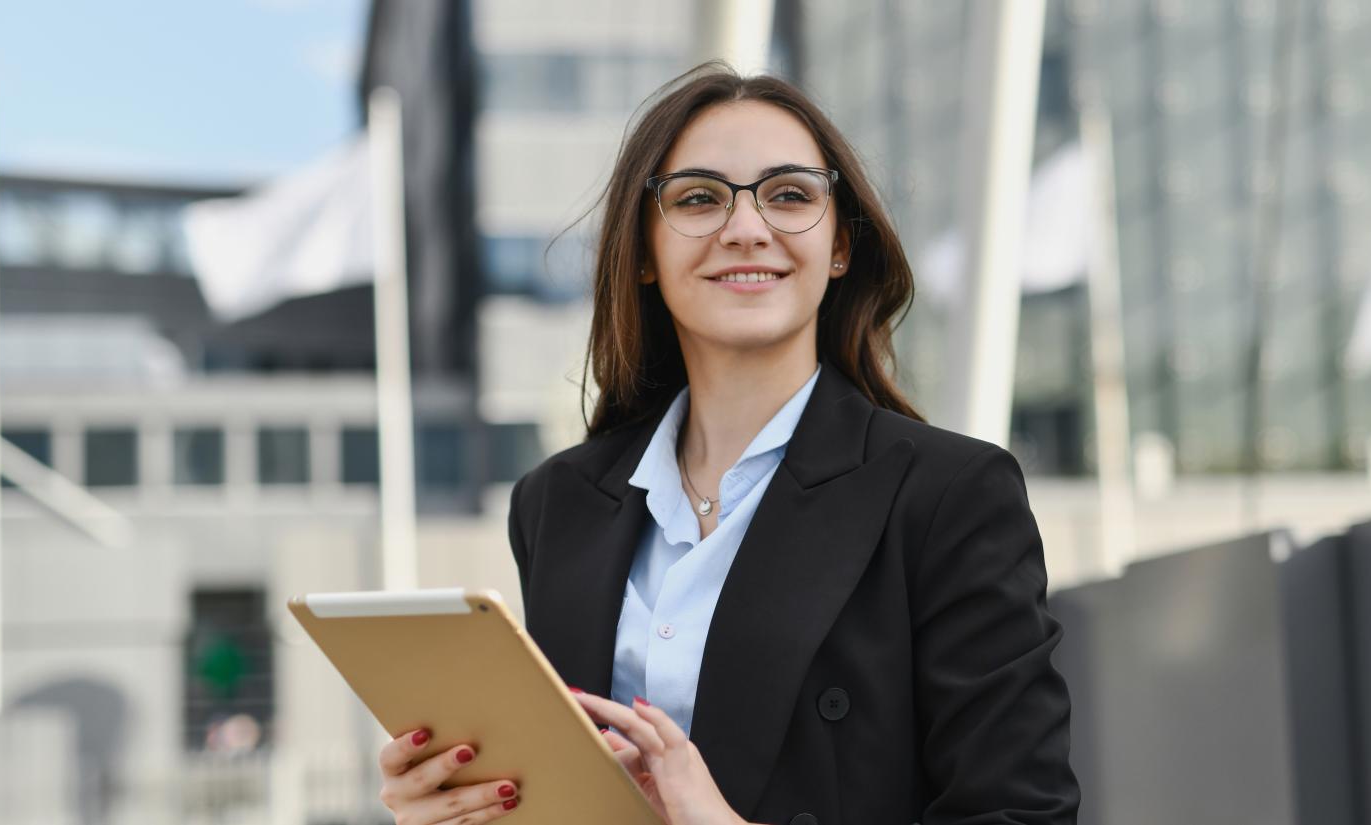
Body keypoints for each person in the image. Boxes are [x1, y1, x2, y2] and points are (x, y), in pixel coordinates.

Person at [375, 63, 1078, 825]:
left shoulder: (951, 494)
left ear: (840, 245)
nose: (747, 228)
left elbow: (1021, 814)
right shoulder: (556, 504)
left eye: (789, 195)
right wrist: (464, 805)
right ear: (642, 251)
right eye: (699, 198)